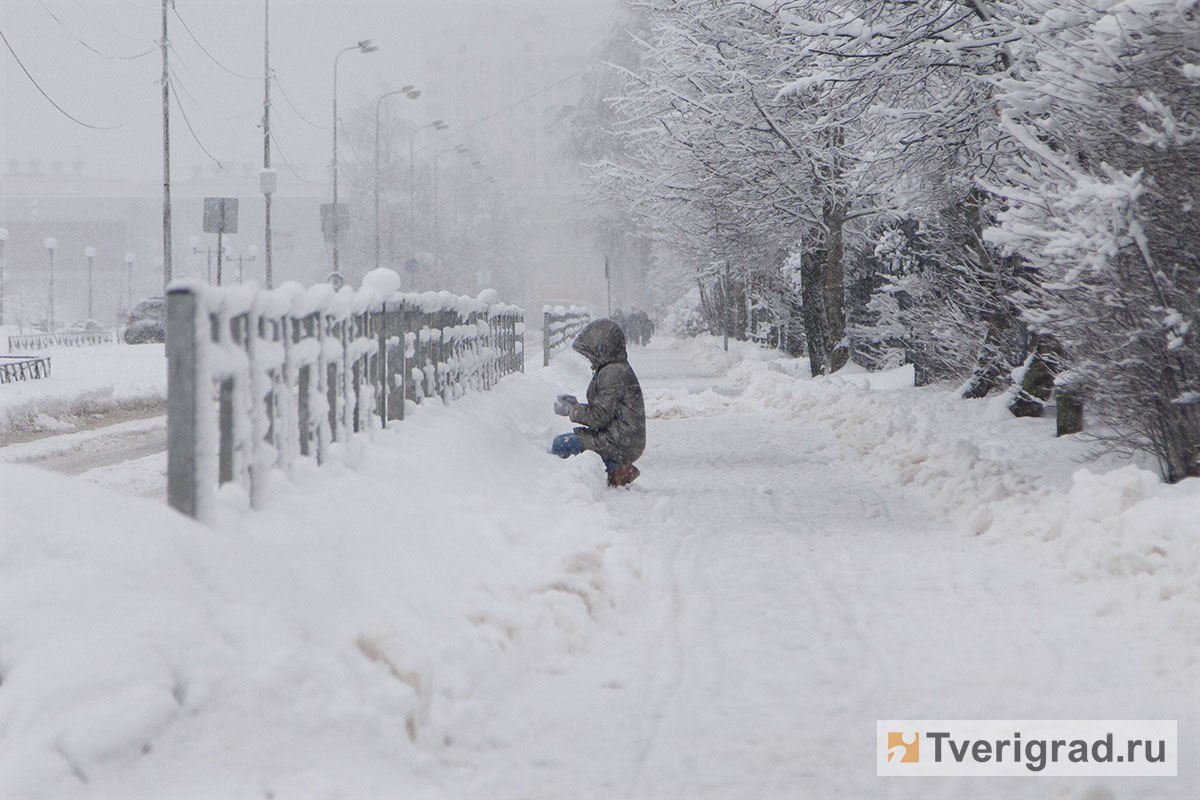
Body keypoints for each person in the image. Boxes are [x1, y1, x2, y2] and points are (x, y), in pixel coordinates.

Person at [550, 318, 646, 487]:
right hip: (621, 436)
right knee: (567, 442)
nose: (589, 357)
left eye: (591, 352)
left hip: (619, 440)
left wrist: (572, 410)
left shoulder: (612, 373)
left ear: (602, 347)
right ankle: (614, 467)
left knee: (561, 445)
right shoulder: (612, 368)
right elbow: (605, 410)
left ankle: (614, 469)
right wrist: (576, 405)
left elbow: (599, 417)